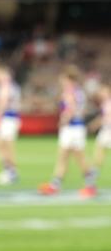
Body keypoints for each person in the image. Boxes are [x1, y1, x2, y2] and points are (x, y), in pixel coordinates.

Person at [39, 65, 97, 197]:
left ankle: (90, 185)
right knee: (65, 156)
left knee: (76, 158)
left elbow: (70, 108)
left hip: (72, 128)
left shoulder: (70, 91)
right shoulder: (79, 91)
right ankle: (55, 185)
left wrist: (63, 120)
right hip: (77, 127)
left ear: (67, 79)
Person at [0, 66, 22, 185]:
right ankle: (9, 169)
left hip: (8, 118)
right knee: (1, 143)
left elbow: (2, 103)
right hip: (10, 117)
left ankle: (11, 171)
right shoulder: (12, 86)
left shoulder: (6, 86)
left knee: (5, 144)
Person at [88, 84, 111, 181]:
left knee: (98, 156)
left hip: (108, 131)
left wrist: (95, 124)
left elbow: (106, 118)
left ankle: (90, 181)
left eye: (104, 92)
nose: (102, 94)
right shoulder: (105, 104)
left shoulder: (108, 104)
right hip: (105, 131)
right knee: (98, 156)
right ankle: (90, 181)